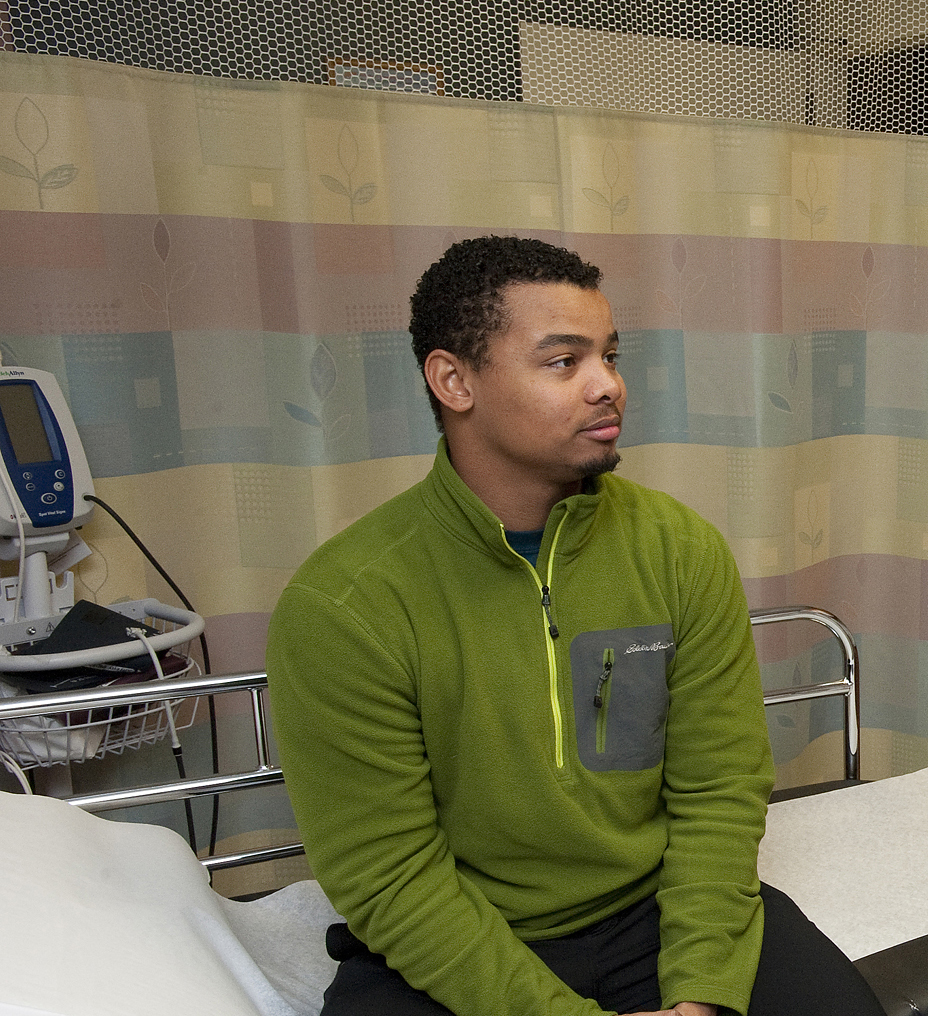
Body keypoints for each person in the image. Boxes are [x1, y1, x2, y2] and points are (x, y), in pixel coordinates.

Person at [267, 236, 885, 1016]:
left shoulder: (678, 551)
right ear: (454, 380)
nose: (609, 387)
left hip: (653, 916)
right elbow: (391, 878)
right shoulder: (347, 605)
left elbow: (719, 790)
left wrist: (698, 996)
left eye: (610, 355)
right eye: (564, 362)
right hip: (459, 942)